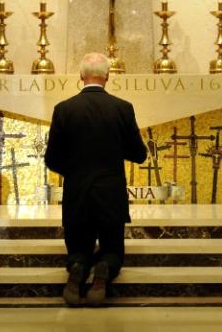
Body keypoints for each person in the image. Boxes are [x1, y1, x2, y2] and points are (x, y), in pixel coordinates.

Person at [45, 52, 147, 306]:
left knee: (78, 244)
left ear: (81, 77)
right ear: (107, 76)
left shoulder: (64, 109)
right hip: (110, 192)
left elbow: (52, 158)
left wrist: (76, 172)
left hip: (77, 192)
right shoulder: (122, 108)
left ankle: (78, 268)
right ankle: (103, 270)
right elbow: (139, 154)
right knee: (113, 246)